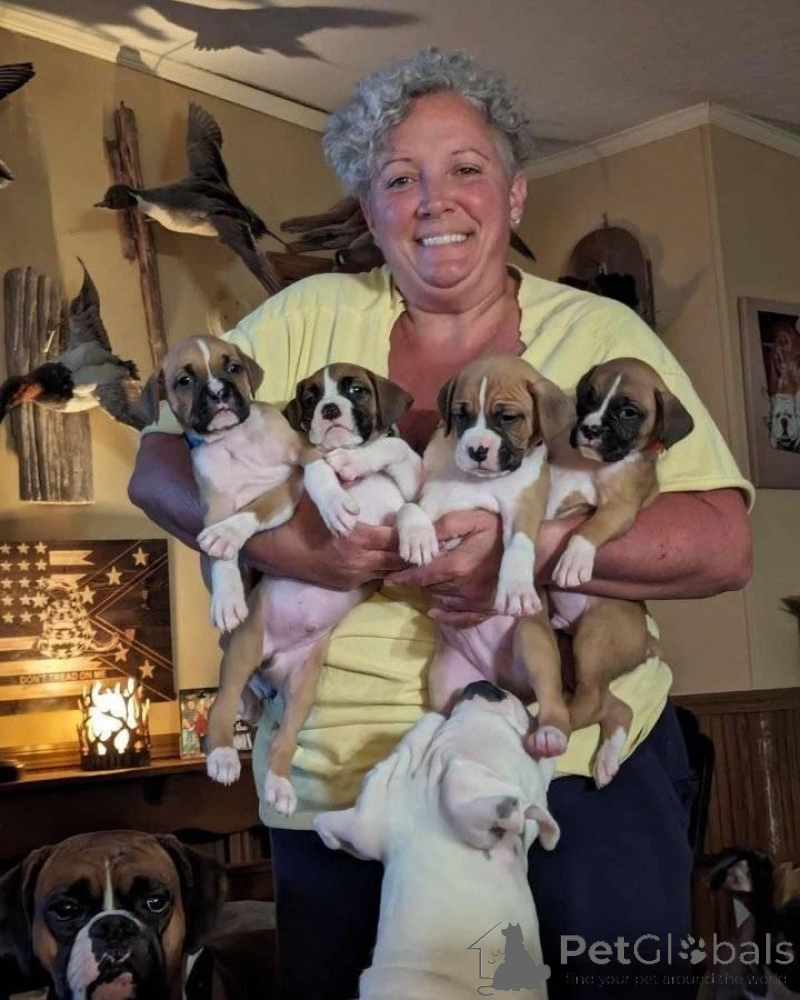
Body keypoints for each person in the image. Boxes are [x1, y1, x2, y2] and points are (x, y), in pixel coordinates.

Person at [129, 48, 753, 999]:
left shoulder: (600, 338)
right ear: (368, 209)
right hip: (343, 788)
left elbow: (723, 544)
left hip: (566, 765)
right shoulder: (303, 318)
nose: (434, 202)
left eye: (466, 168)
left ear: (514, 194)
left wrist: (524, 550)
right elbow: (158, 465)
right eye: (398, 179)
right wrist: (302, 549)